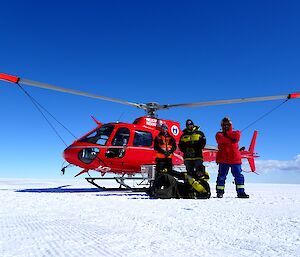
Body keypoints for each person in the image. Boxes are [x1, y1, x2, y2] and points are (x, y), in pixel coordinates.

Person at [215, 117, 249, 198]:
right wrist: (231, 138)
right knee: (221, 176)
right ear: (222, 126)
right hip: (223, 159)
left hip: (235, 159)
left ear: (231, 125)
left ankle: (241, 192)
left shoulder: (236, 133)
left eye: (228, 125)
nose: (226, 126)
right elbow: (221, 140)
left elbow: (237, 137)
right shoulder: (218, 134)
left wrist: (227, 134)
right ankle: (220, 192)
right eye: (224, 125)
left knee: (238, 176)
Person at [149, 123, 178, 198]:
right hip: (160, 159)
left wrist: (169, 152)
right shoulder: (158, 137)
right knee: (159, 174)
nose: (164, 130)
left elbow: (174, 147)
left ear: (167, 129)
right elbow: (156, 147)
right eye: (163, 128)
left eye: (165, 128)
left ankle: (169, 189)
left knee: (169, 174)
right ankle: (156, 190)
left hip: (168, 159)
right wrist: (163, 152)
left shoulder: (171, 138)